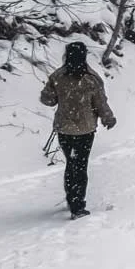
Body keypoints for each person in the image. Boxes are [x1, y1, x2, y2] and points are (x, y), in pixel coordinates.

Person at [40, 41, 116, 218]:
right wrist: (108, 118)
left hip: (64, 130)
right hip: (85, 130)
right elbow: (100, 103)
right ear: (84, 55)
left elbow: (48, 100)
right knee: (80, 166)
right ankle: (77, 205)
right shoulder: (92, 78)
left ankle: (71, 198)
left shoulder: (58, 76)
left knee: (71, 164)